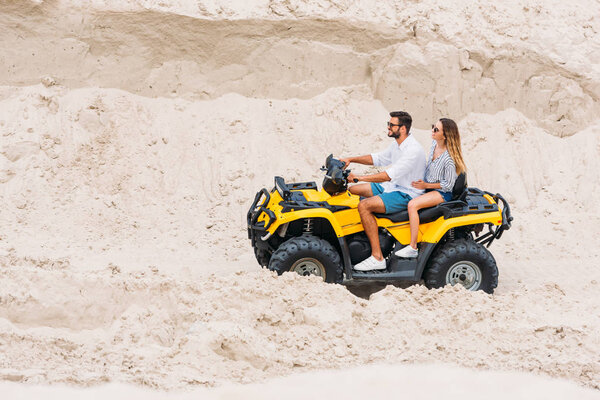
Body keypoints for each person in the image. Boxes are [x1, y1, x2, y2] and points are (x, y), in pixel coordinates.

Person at [341, 111, 426, 271]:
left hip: (405, 193)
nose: (388, 127)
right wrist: (350, 159)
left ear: (402, 129)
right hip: (393, 186)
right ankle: (362, 233)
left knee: (364, 206)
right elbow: (379, 158)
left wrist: (359, 177)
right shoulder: (398, 144)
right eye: (388, 124)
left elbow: (387, 176)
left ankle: (377, 256)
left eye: (391, 125)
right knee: (353, 190)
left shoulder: (413, 150)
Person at [395, 118, 467, 258]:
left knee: (412, 205)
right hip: (428, 186)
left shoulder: (449, 159)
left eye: (436, 129)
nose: (432, 131)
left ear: (445, 136)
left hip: (441, 192)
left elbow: (448, 185)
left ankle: (413, 246)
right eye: (433, 126)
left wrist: (426, 185)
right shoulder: (434, 144)